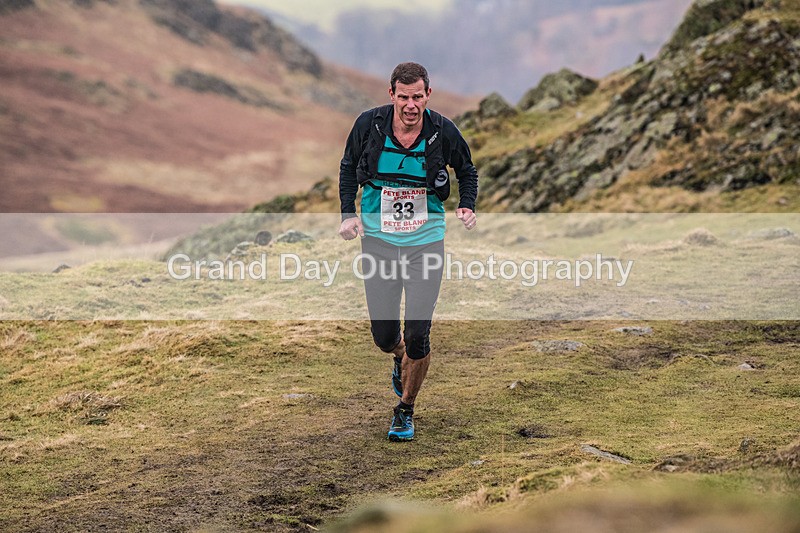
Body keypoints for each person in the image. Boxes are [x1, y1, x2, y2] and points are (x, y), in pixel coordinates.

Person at [338, 62, 479, 441]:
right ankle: (399, 355)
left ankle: (405, 409)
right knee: (384, 336)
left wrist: (467, 205)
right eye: (404, 97)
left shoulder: (443, 131)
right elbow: (348, 167)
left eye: (418, 97)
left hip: (425, 243)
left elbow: (467, 170)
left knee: (419, 333)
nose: (411, 105)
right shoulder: (369, 125)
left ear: (428, 95)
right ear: (392, 95)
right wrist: (348, 214)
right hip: (378, 242)